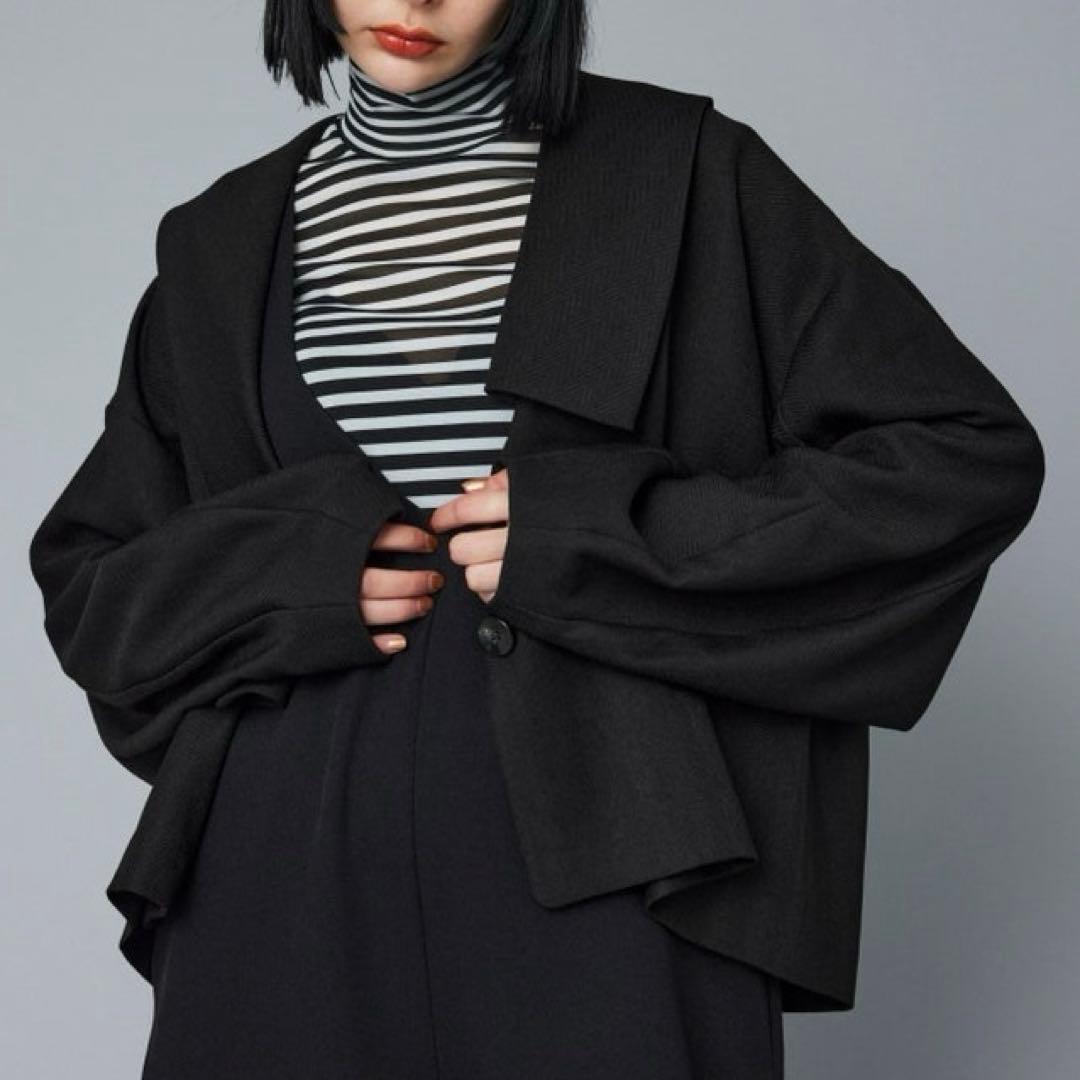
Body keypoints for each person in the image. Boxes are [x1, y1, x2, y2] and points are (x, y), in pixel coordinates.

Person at [28, 1, 1045, 1077]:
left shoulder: (682, 175)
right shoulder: (222, 241)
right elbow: (95, 586)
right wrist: (290, 572)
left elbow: (959, 459)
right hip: (275, 873)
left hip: (623, 873)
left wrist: (608, 539)